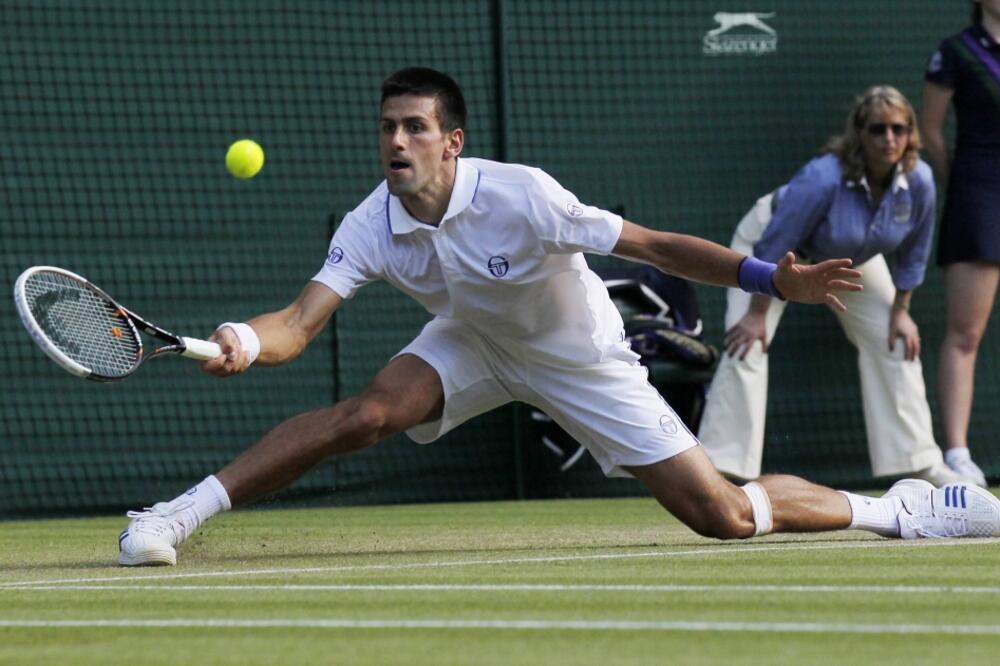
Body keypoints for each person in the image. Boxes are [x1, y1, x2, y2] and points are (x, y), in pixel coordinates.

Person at [117, 68, 1000, 567]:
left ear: (451, 141)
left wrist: (774, 276)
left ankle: (905, 510)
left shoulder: (523, 197)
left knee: (722, 518)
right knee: (366, 414)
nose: (395, 142)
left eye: (415, 128)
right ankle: (173, 515)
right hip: (473, 340)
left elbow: (653, 247)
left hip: (578, 353)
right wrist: (242, 338)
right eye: (387, 127)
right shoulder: (371, 221)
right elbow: (299, 324)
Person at [697, 85, 971, 488]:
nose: (889, 139)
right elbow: (775, 244)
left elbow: (914, 252)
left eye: (898, 128)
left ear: (911, 133)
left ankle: (921, 463)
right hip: (778, 254)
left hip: (849, 259)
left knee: (895, 339)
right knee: (748, 342)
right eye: (878, 129)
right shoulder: (823, 177)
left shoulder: (920, 182)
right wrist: (757, 314)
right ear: (859, 132)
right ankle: (722, 472)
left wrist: (901, 313)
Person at [921, 0, 1000, 488]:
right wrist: (963, 185)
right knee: (965, 332)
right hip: (980, 191)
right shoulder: (955, 51)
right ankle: (957, 454)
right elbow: (930, 128)